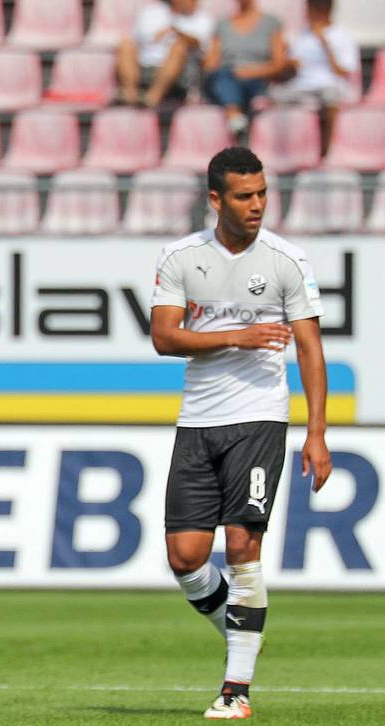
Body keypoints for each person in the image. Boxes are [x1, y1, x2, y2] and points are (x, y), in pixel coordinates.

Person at [149, 146, 332, 720]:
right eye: (244, 196)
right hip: (198, 420)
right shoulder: (180, 258)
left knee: (241, 546)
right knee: (184, 558)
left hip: (259, 417)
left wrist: (317, 432)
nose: (257, 206)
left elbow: (309, 348)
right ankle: (242, 628)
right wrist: (238, 337)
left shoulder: (286, 260)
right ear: (215, 200)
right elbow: (163, 337)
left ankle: (237, 687)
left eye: (262, 194)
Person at [270, 0, 359, 154]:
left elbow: (343, 72)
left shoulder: (342, 34)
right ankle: (289, 151)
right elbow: (293, 65)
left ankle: (326, 152)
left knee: (330, 97)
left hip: (330, 85)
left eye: (310, 10)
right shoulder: (302, 34)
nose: (306, 14)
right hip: (302, 86)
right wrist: (288, 62)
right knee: (274, 95)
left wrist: (325, 44)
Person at [202, 0, 289, 135]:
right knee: (225, 75)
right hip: (225, 78)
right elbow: (211, 64)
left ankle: (235, 117)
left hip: (257, 79)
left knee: (229, 78)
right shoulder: (222, 25)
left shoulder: (271, 23)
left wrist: (251, 72)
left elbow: (279, 64)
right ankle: (235, 115)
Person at [116, 0, 216, 107]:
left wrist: (177, 32)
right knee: (125, 44)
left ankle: (152, 98)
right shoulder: (151, 12)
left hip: (180, 72)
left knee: (179, 47)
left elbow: (200, 45)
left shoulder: (203, 18)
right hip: (144, 64)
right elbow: (138, 38)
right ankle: (130, 95)